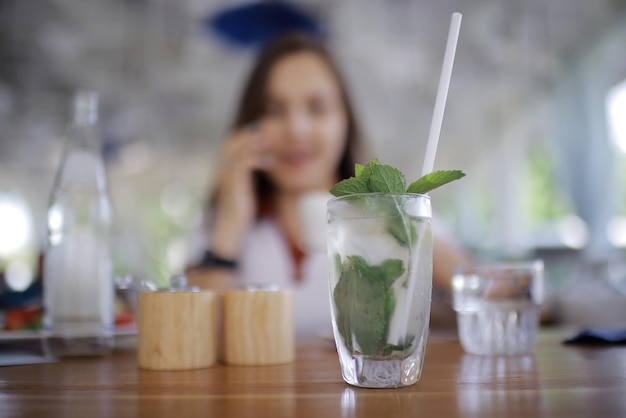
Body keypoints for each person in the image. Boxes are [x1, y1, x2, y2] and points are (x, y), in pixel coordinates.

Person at [188, 32, 471, 335]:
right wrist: (229, 227)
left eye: (317, 107)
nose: (297, 130)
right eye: (274, 110)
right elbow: (194, 334)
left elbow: (484, 292)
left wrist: (401, 228)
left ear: (344, 122)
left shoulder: (391, 211)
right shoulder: (223, 222)